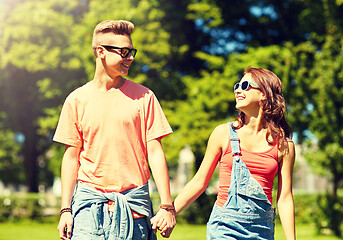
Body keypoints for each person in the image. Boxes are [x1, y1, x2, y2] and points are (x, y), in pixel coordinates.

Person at [54, 20, 176, 240]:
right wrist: (65, 210)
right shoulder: (76, 100)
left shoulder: (144, 97)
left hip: (134, 210)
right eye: (124, 52)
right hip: (88, 212)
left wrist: (167, 206)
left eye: (132, 52)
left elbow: (155, 152)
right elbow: (71, 158)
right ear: (100, 52)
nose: (130, 57)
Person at [163, 67, 296, 239]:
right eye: (237, 86)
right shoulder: (223, 133)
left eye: (246, 85)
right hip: (224, 228)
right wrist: (170, 211)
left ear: (264, 94)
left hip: (262, 230)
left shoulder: (284, 146)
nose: (238, 90)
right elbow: (200, 181)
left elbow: (285, 198)